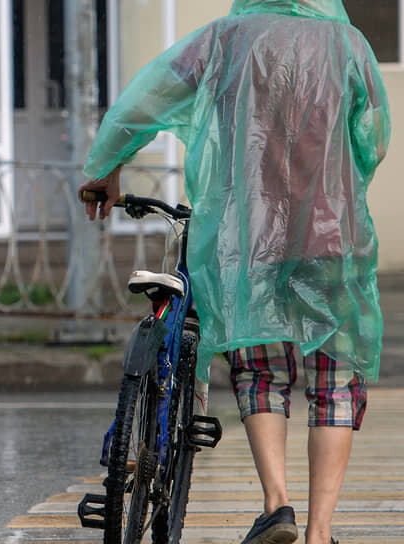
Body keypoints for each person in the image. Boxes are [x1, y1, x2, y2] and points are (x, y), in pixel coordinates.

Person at [78, 1, 390, 544]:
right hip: (332, 236)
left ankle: (277, 506)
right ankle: (320, 534)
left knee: (259, 365)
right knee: (334, 380)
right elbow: (374, 139)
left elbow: (144, 101)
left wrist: (106, 166)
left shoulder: (222, 40)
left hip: (251, 236)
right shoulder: (351, 47)